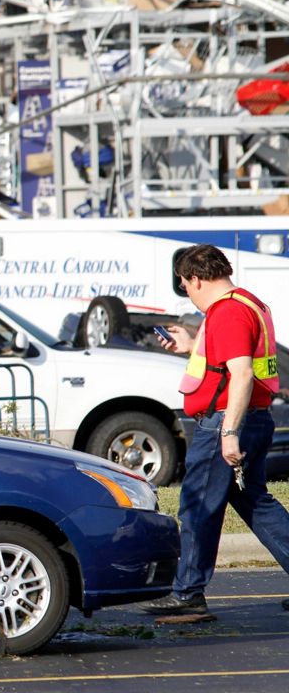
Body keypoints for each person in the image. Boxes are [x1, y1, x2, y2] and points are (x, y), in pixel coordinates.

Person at [139, 244, 289, 615]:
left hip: (226, 419)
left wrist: (228, 433)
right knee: (255, 502)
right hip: (253, 417)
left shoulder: (228, 314)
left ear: (196, 278)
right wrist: (193, 345)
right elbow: (230, 363)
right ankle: (189, 591)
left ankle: (188, 594)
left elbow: (241, 373)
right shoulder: (249, 303)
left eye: (185, 285)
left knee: (197, 507)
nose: (187, 292)